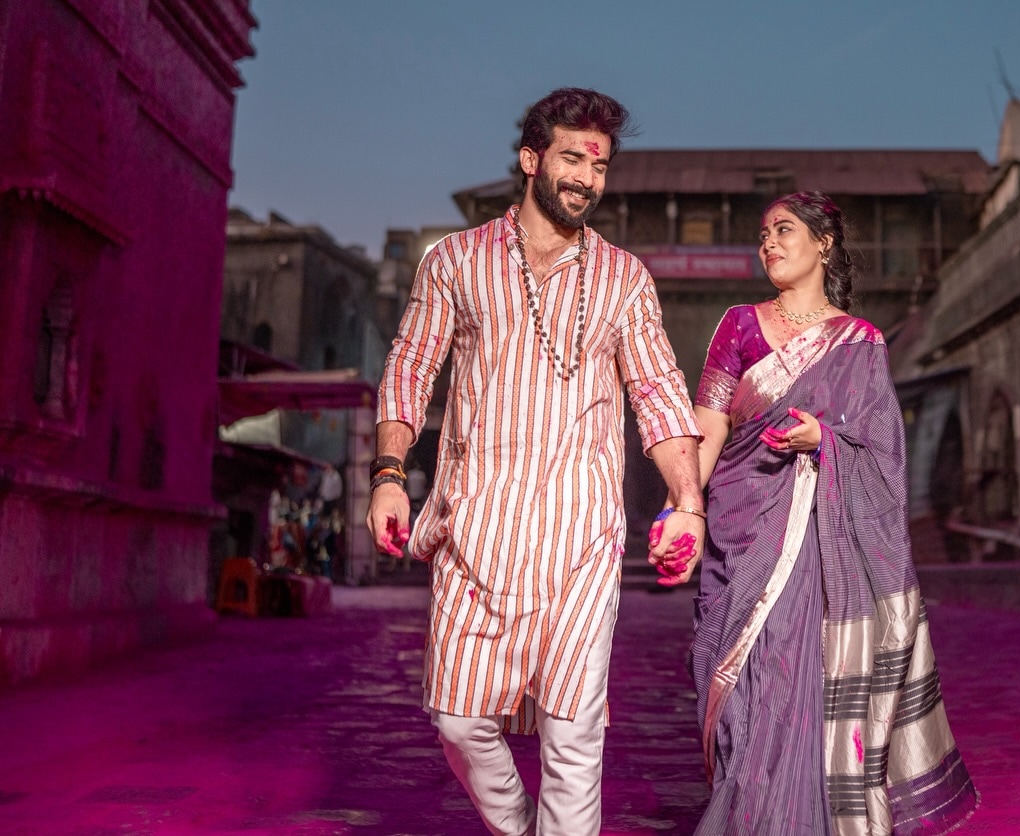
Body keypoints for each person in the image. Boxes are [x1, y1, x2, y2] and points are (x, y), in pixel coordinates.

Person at [367, 88, 706, 836]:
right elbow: (410, 367)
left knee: (574, 736)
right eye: (573, 157)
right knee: (457, 721)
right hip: (474, 528)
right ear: (531, 159)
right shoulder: (455, 262)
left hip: (579, 537)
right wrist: (389, 476)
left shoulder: (624, 279)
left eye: (600, 163)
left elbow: (658, 391)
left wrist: (687, 501)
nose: (588, 176)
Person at [653, 192, 978, 834]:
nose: (768, 243)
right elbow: (708, 429)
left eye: (784, 230)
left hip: (818, 554)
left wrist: (824, 442)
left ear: (823, 243)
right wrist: (681, 509)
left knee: (793, 695)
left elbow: (884, 454)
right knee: (734, 694)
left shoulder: (860, 342)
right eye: (763, 233)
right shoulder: (738, 325)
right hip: (740, 538)